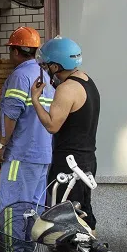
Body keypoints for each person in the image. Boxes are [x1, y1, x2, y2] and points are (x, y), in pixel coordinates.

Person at [0, 28, 55, 252]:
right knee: (33, 208)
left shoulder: (20, 76)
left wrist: (1, 144)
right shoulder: (45, 76)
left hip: (21, 155)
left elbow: (12, 113)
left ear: (16, 51)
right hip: (42, 155)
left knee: (11, 207)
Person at [31, 37, 101, 230]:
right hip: (87, 159)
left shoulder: (66, 89)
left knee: (66, 221)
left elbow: (52, 126)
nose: (45, 69)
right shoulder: (87, 80)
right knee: (83, 215)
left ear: (55, 66)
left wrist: (35, 101)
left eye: (46, 65)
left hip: (68, 163)